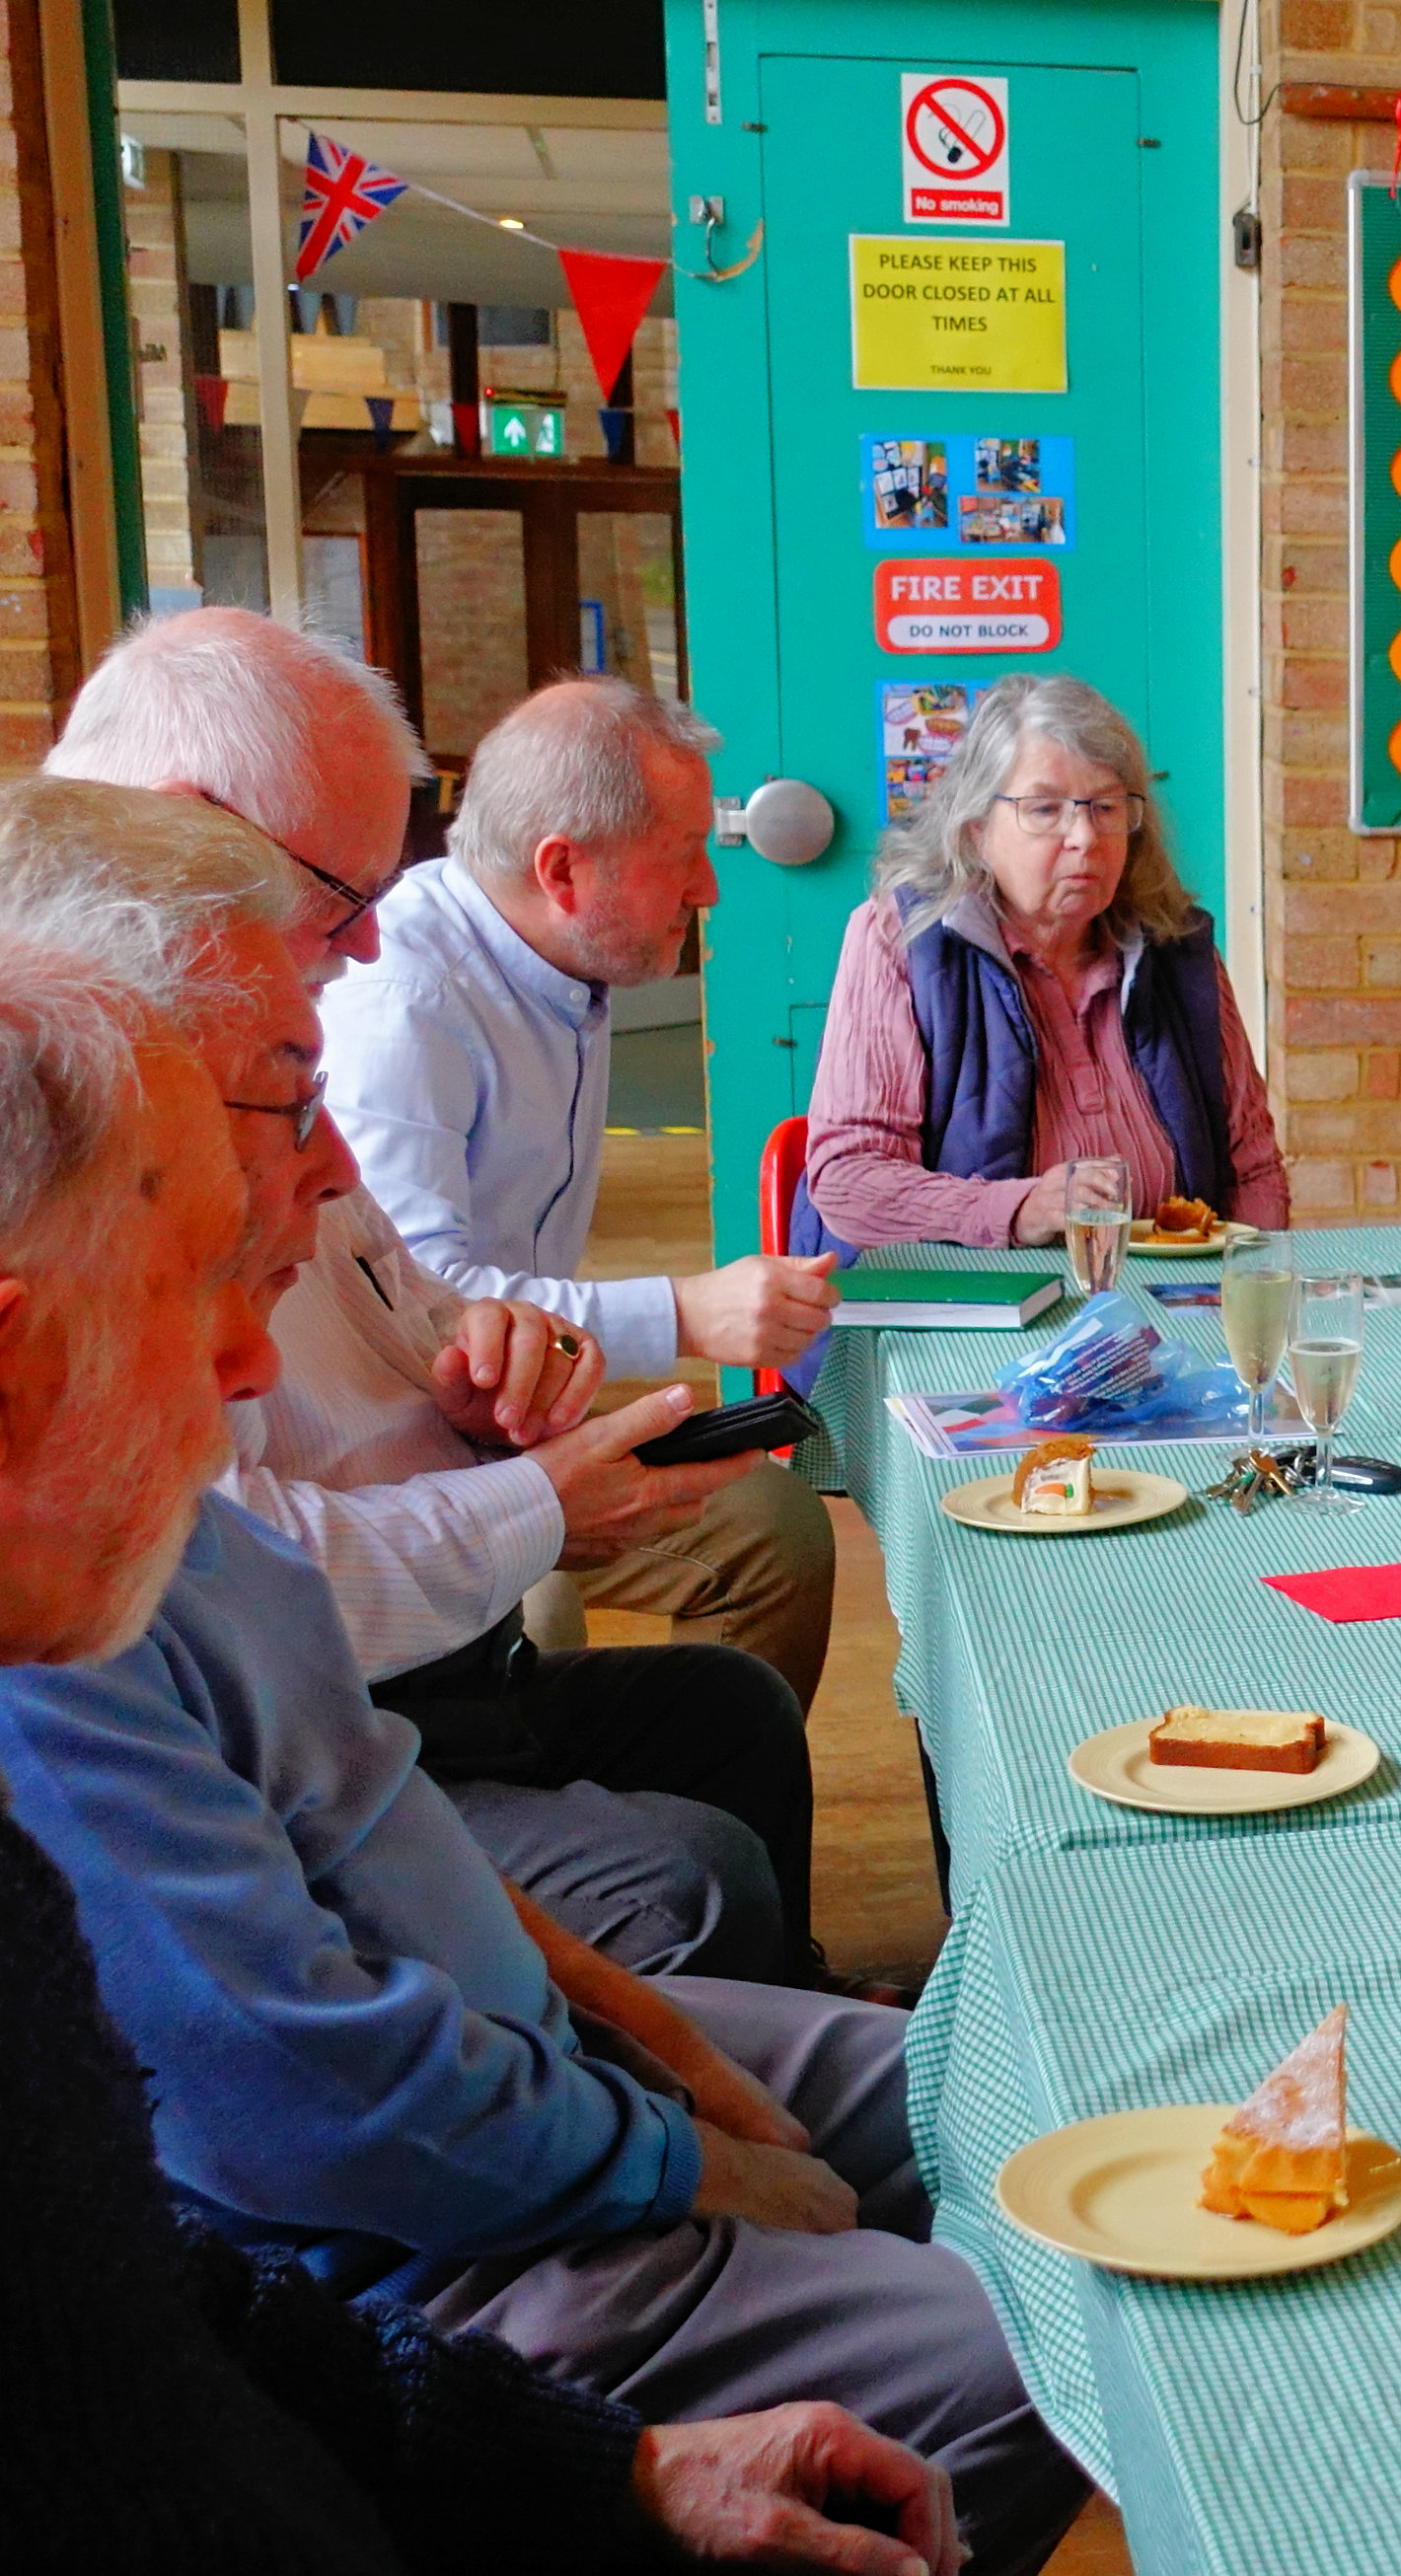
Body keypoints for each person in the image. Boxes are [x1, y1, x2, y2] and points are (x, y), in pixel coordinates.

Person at [0, 947, 1088, 2574]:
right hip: (427, 2229)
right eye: (199, 1286)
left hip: (496, 2100)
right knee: (1037, 2356)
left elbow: (207, 2298)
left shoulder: (158, 1537)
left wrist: (660, 2045)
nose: (252, 1362)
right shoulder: (61, 1657)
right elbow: (315, 2136)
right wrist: (679, 2167)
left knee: (1021, 2080)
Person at [17, 699, 818, 1988]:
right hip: (347, 1705)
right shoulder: (153, 1166)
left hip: (435, 1633)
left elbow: (419, 1289)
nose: (372, 936)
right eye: (346, 891)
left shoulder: (286, 1077)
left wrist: (486, 1360)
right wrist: (542, 1492)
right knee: (687, 1870)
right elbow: (251, 1596)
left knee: (730, 1711)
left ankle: (778, 2009)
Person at [319, 677, 843, 1707]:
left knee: (773, 1528)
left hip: (504, 1418)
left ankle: (699, 1780)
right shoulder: (403, 1003)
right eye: (683, 854)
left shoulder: (558, 954)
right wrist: (683, 1312)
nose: (709, 889)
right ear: (561, 869)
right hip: (400, 1458)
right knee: (571, 1600)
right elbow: (422, 1312)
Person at [798, 672, 1287, 1275]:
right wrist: (1017, 1209)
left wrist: (1243, 1293)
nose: (1084, 837)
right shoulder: (901, 939)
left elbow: (1253, 1168)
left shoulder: (1175, 948)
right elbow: (850, 1179)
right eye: (1045, 809)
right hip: (958, 1302)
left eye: (1105, 807)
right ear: (977, 830)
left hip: (1169, 1304)